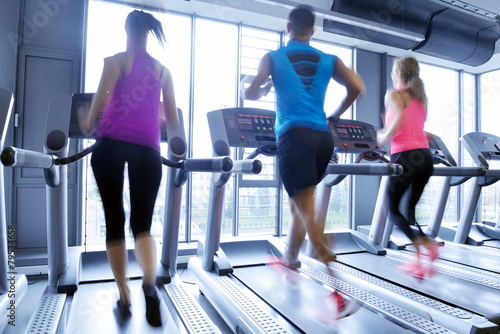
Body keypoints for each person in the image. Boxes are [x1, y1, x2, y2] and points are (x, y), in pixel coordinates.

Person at [241, 4, 365, 317]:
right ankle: (290, 259)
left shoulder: (272, 57)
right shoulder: (329, 60)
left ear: (288, 28)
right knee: (302, 202)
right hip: (323, 139)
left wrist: (266, 86)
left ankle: (341, 290)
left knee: (307, 212)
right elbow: (358, 88)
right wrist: (336, 113)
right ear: (313, 31)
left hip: (294, 137)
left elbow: (249, 95)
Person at [79, 10, 180, 327]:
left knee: (114, 219)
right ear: (148, 33)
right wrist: (152, 116)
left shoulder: (115, 61)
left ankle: (123, 293)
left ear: (126, 31)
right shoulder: (164, 71)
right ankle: (149, 283)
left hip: (109, 146)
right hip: (148, 150)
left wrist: (86, 121)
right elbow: (172, 121)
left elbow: (98, 105)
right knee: (143, 226)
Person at [377, 57, 439, 279]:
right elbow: (419, 128)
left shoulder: (393, 94)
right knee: (409, 211)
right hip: (425, 157)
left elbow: (400, 120)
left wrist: (382, 135)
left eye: (393, 72)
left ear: (398, 73)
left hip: (405, 156)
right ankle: (421, 260)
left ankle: (424, 247)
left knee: (391, 209)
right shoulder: (420, 99)